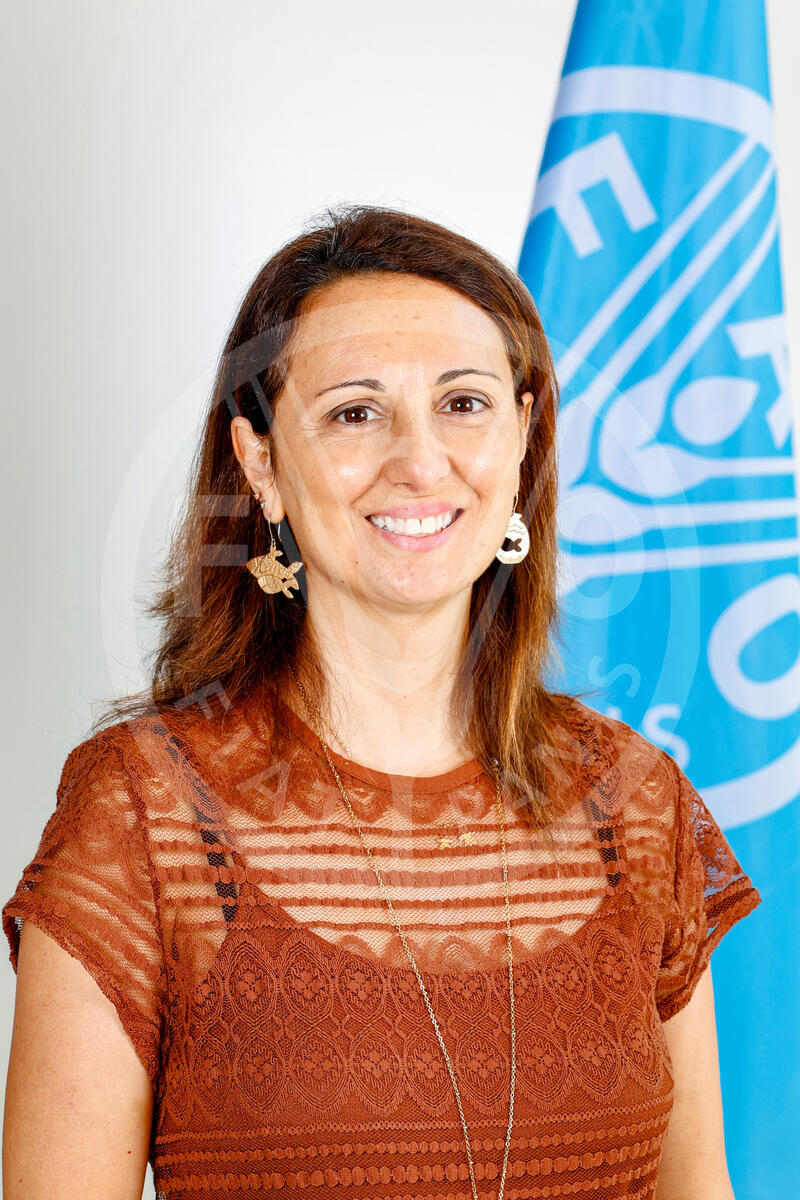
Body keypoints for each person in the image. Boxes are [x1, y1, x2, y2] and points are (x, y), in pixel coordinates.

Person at [3, 205, 761, 1200]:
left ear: (524, 442)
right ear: (262, 463)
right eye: (355, 413)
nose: (419, 461)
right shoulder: (142, 812)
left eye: (463, 403)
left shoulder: (638, 803)